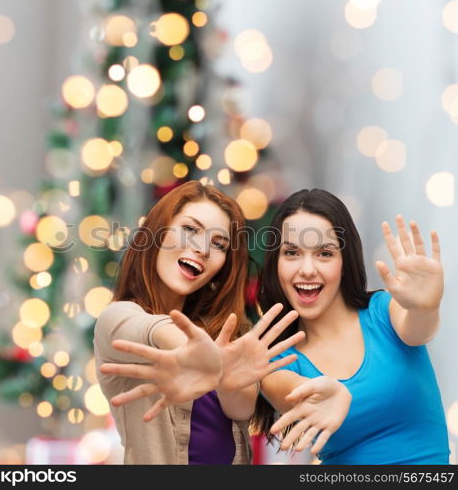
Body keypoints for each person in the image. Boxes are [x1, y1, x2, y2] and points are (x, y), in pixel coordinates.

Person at [93, 180, 305, 464]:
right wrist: (208, 359)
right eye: (190, 229)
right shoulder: (116, 317)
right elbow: (157, 332)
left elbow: (241, 409)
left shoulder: (226, 333)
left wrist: (223, 374)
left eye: (219, 244)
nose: (203, 249)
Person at [251, 188, 450, 464]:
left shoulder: (383, 311)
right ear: (275, 264)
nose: (307, 269)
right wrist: (323, 395)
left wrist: (425, 307)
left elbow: (418, 328)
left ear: (345, 261)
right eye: (292, 252)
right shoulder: (276, 356)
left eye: (324, 254)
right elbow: (292, 392)